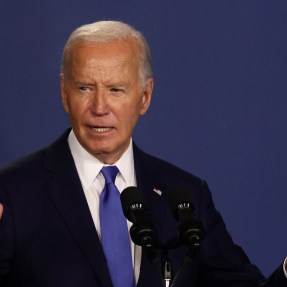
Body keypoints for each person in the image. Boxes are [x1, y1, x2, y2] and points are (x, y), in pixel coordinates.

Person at [0, 20, 286, 287]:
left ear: (145, 97)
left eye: (116, 89)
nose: (100, 107)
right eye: (85, 88)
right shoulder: (12, 192)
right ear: (64, 94)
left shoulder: (185, 194)